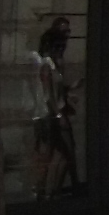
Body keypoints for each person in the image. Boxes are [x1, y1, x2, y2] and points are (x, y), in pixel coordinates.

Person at [28, 17, 79, 199]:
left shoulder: (54, 64)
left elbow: (55, 91)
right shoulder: (46, 64)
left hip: (53, 113)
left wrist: (70, 90)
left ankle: (47, 190)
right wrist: (58, 115)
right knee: (54, 153)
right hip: (48, 116)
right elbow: (47, 94)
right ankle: (43, 190)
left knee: (57, 153)